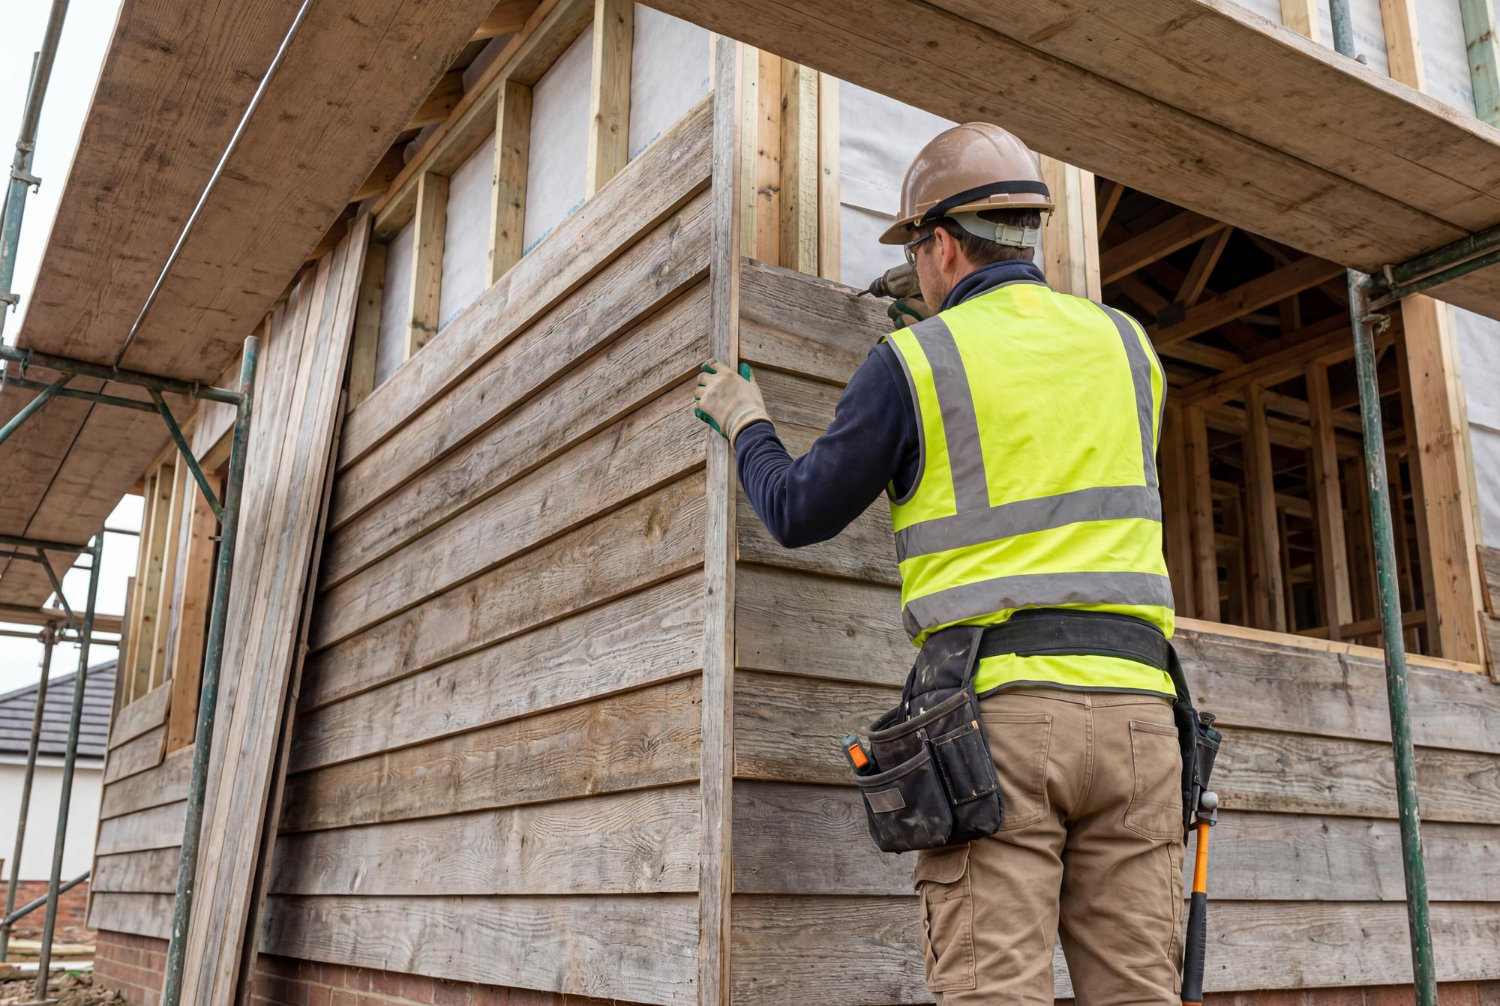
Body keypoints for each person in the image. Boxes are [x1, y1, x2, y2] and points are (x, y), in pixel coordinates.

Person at [692, 121, 1183, 1005]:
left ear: (944, 245)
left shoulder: (912, 361)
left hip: (1004, 725)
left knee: (994, 991)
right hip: (1145, 722)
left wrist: (744, 420)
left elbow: (799, 510)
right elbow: (1050, 439)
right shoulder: (1129, 349)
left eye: (917, 249)